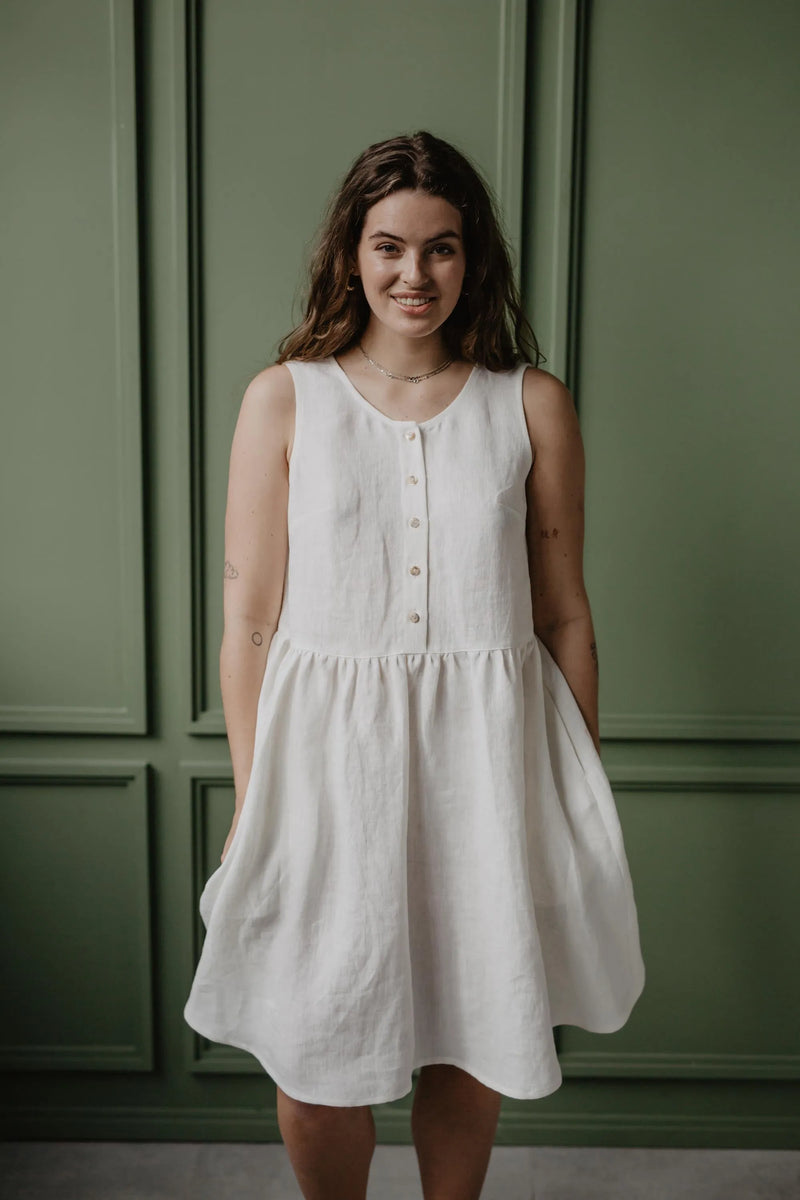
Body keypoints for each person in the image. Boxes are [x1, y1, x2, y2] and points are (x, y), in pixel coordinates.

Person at [183, 130, 645, 1200]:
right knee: (314, 1053)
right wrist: (259, 802)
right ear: (350, 252)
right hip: (323, 773)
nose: (414, 274)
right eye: (389, 245)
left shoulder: (529, 405)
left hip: (484, 769)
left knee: (469, 1035)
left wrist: (564, 788)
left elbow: (563, 614)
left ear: (471, 259)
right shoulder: (284, 400)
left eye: (441, 249)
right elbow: (248, 622)